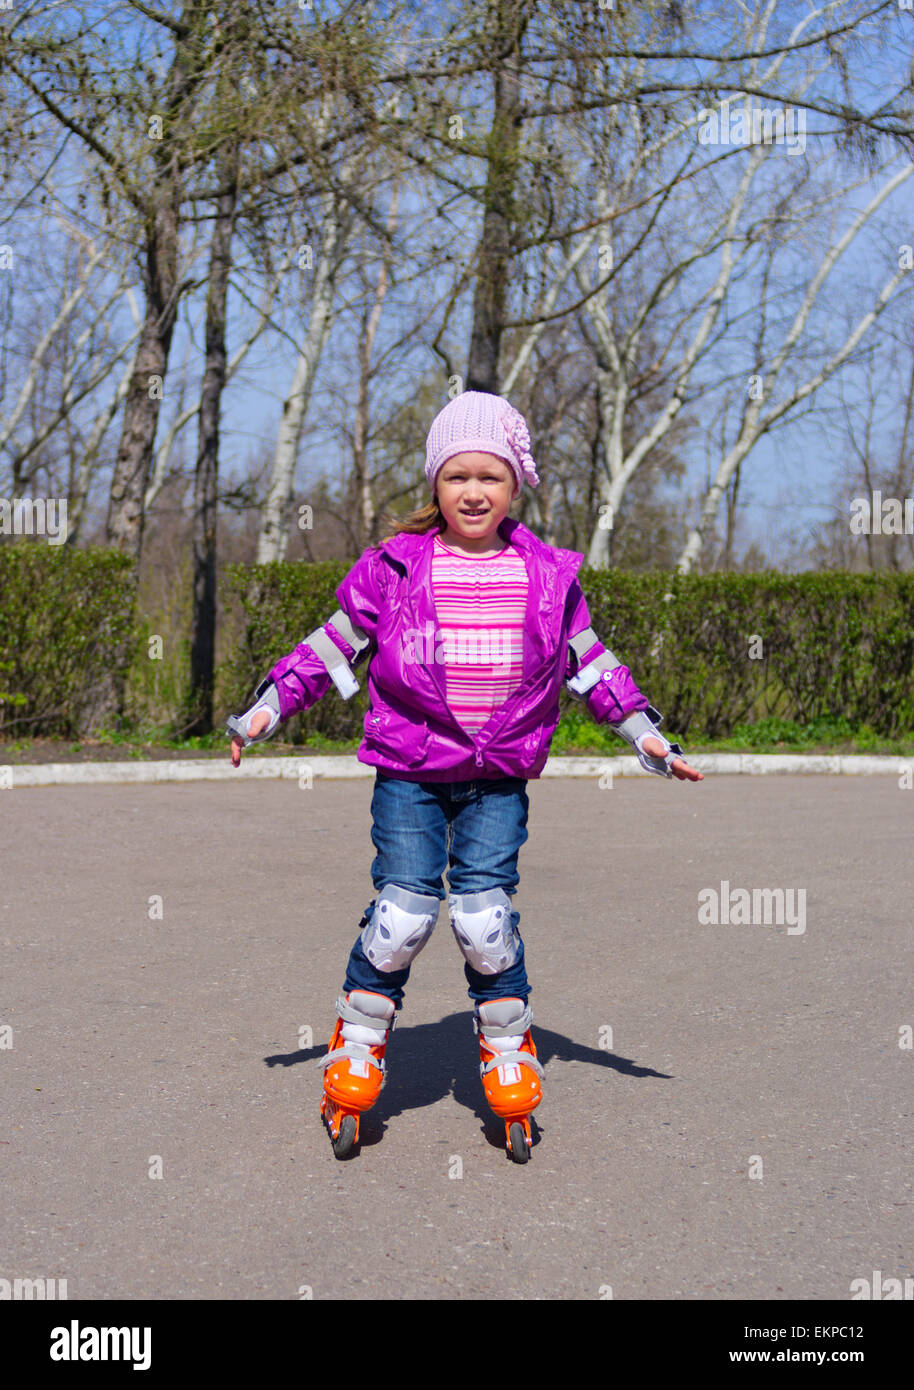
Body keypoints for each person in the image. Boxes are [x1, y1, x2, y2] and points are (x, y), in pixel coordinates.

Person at [228, 391, 704, 1161]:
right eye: (457, 476)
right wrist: (265, 711)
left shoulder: (548, 575)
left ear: (516, 484)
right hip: (412, 770)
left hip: (496, 777)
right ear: (435, 485)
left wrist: (645, 736)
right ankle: (357, 1040)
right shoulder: (394, 567)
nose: (474, 491)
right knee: (405, 915)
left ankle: (507, 1046)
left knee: (484, 921)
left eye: (490, 475)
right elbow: (330, 646)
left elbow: (592, 664)